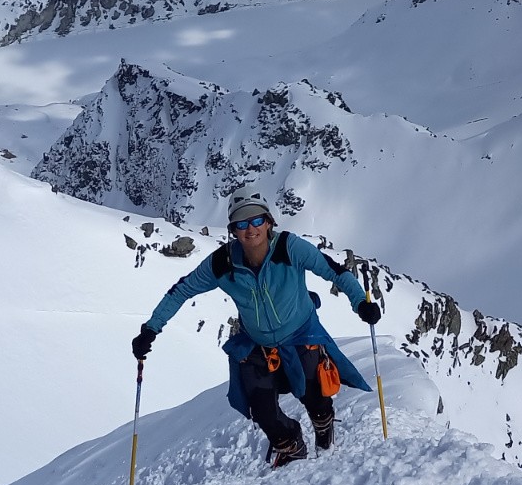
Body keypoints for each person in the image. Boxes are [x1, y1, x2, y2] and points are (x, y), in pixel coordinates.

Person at [131, 190, 383, 468]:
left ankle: (323, 427)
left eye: (256, 220)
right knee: (262, 409)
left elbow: (334, 271)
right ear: (233, 231)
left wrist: (361, 303)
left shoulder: (290, 248)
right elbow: (181, 290)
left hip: (301, 333)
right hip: (257, 343)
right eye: (241, 224)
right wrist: (151, 329)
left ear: (269, 222)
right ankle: (290, 443)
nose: (250, 229)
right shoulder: (223, 263)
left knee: (316, 396)